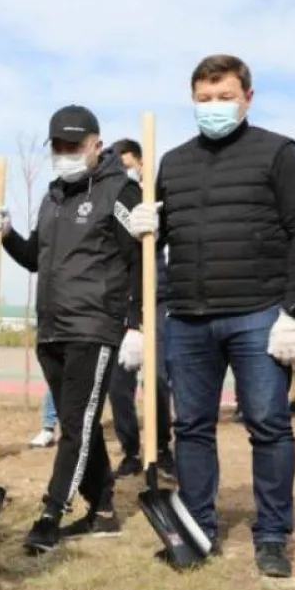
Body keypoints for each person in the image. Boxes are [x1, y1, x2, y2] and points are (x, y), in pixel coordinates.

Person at [127, 54, 295, 577]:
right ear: (192, 100)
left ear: (247, 98)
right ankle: (198, 528)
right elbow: (160, 240)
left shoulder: (278, 154)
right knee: (190, 426)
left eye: (225, 97)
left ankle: (273, 534)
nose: (214, 107)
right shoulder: (173, 162)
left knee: (267, 423)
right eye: (204, 98)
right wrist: (144, 226)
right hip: (189, 317)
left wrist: (293, 311)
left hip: (258, 313)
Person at [0, 104, 144, 554]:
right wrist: (8, 234)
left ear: (96, 145)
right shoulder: (53, 195)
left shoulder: (119, 192)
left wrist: (135, 325)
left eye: (73, 146)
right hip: (52, 326)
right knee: (83, 424)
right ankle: (106, 511)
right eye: (58, 146)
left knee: (74, 426)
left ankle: (52, 513)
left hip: (94, 326)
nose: (64, 154)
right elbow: (36, 257)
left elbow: (139, 259)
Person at [105, 138, 174, 478]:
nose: (125, 169)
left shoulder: (155, 195)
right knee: (118, 385)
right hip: (120, 302)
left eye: (129, 162)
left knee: (158, 379)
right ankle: (130, 450)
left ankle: (161, 447)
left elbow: (162, 240)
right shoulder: (113, 195)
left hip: (155, 299)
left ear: (142, 162)